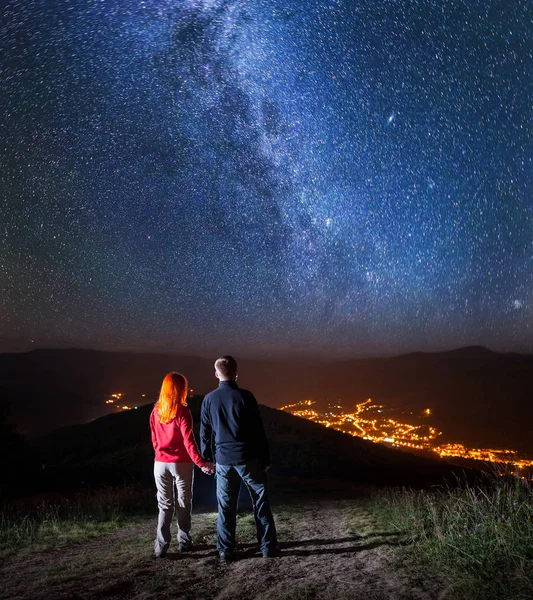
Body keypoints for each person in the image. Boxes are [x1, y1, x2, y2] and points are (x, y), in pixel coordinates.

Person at [200, 355, 278, 562]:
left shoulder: (209, 399)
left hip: (223, 461)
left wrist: (207, 458)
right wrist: (265, 458)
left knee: (225, 507)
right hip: (249, 458)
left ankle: (226, 551)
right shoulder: (246, 397)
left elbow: (204, 433)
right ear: (236, 373)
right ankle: (267, 547)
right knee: (260, 502)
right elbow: (258, 431)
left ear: (216, 374)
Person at [150, 372, 214, 558]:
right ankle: (184, 542)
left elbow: (154, 440)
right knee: (183, 503)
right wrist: (201, 463)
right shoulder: (183, 411)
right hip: (181, 464)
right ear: (182, 389)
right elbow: (189, 442)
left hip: (160, 463)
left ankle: (160, 548)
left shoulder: (156, 410)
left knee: (164, 505)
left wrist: (160, 455)